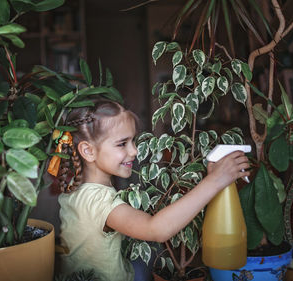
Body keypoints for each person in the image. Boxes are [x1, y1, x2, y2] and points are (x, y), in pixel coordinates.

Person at [49, 99, 250, 281]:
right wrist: (215, 181)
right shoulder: (99, 200)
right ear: (88, 151)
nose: (134, 151)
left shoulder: (76, 189)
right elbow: (156, 230)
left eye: (133, 141)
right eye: (122, 143)